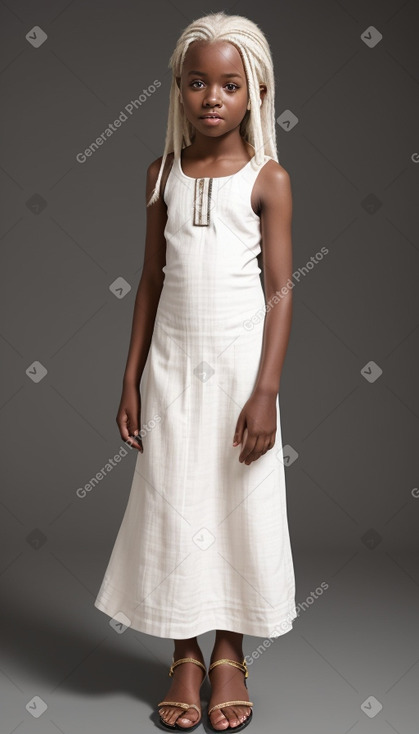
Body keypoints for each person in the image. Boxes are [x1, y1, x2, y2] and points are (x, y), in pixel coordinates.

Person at [94, 10, 297, 732]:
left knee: (237, 503)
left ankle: (230, 653)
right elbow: (149, 279)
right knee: (173, 503)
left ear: (256, 95)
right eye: (197, 83)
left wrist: (266, 389)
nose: (212, 97)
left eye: (230, 84)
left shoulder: (268, 179)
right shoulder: (162, 174)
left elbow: (280, 288)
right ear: (178, 91)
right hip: (171, 372)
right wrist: (129, 378)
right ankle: (183, 651)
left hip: (243, 375)